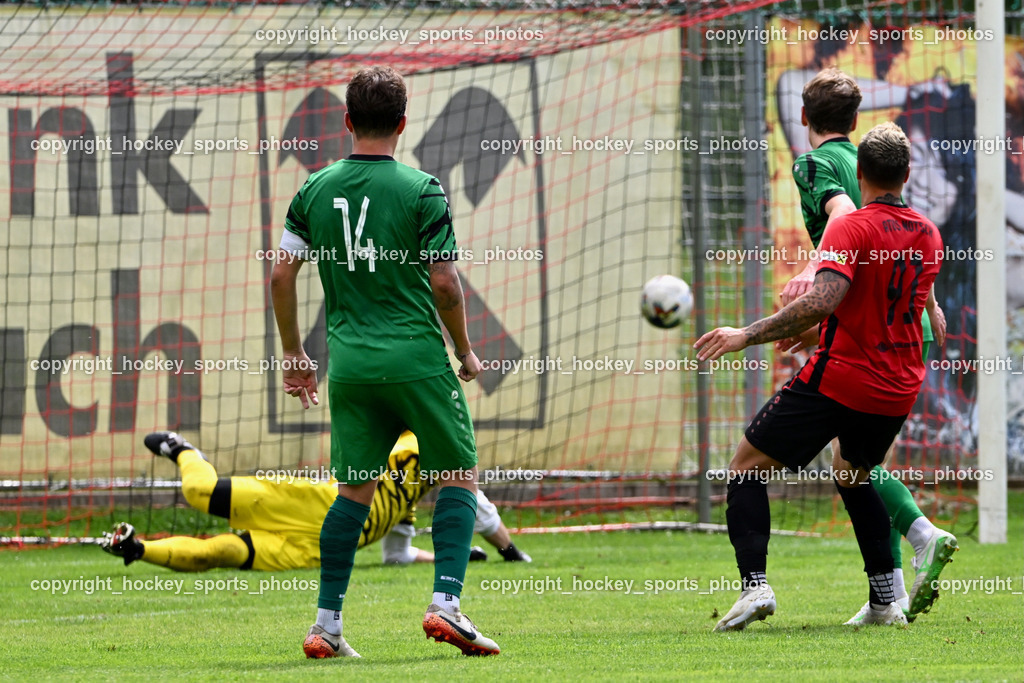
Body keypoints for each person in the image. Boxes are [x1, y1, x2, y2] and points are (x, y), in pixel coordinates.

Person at [270, 65, 498, 657]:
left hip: (348, 366)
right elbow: (445, 283)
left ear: (347, 121)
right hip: (417, 360)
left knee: (352, 494)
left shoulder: (312, 190)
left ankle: (326, 626)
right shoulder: (422, 189)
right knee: (457, 476)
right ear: (402, 122)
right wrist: (466, 351)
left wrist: (295, 355)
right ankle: (446, 605)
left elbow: (281, 273)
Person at [696, 122, 943, 630]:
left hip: (845, 377)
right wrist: (811, 334)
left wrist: (746, 334)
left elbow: (823, 300)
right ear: (908, 173)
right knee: (854, 475)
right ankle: (883, 602)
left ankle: (754, 588)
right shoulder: (929, 232)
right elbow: (882, 307)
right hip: (898, 385)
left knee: (745, 469)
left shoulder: (851, 226)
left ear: (861, 173)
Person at [781, 68, 957, 622]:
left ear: (803, 118)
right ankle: (892, 590)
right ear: (855, 124)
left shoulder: (815, 164)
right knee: (853, 461)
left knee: (850, 460)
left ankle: (920, 539)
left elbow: (848, 218)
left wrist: (813, 269)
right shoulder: (867, 164)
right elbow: (895, 230)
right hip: (901, 319)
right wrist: (928, 303)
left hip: (864, 318)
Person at [99, 431, 531, 571]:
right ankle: (183, 450)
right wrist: (509, 551)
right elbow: (482, 508)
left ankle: (136, 548)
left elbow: (397, 554)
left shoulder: (410, 501)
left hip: (322, 547)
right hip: (315, 504)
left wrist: (444, 556)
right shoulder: (406, 438)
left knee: (224, 551)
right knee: (199, 492)